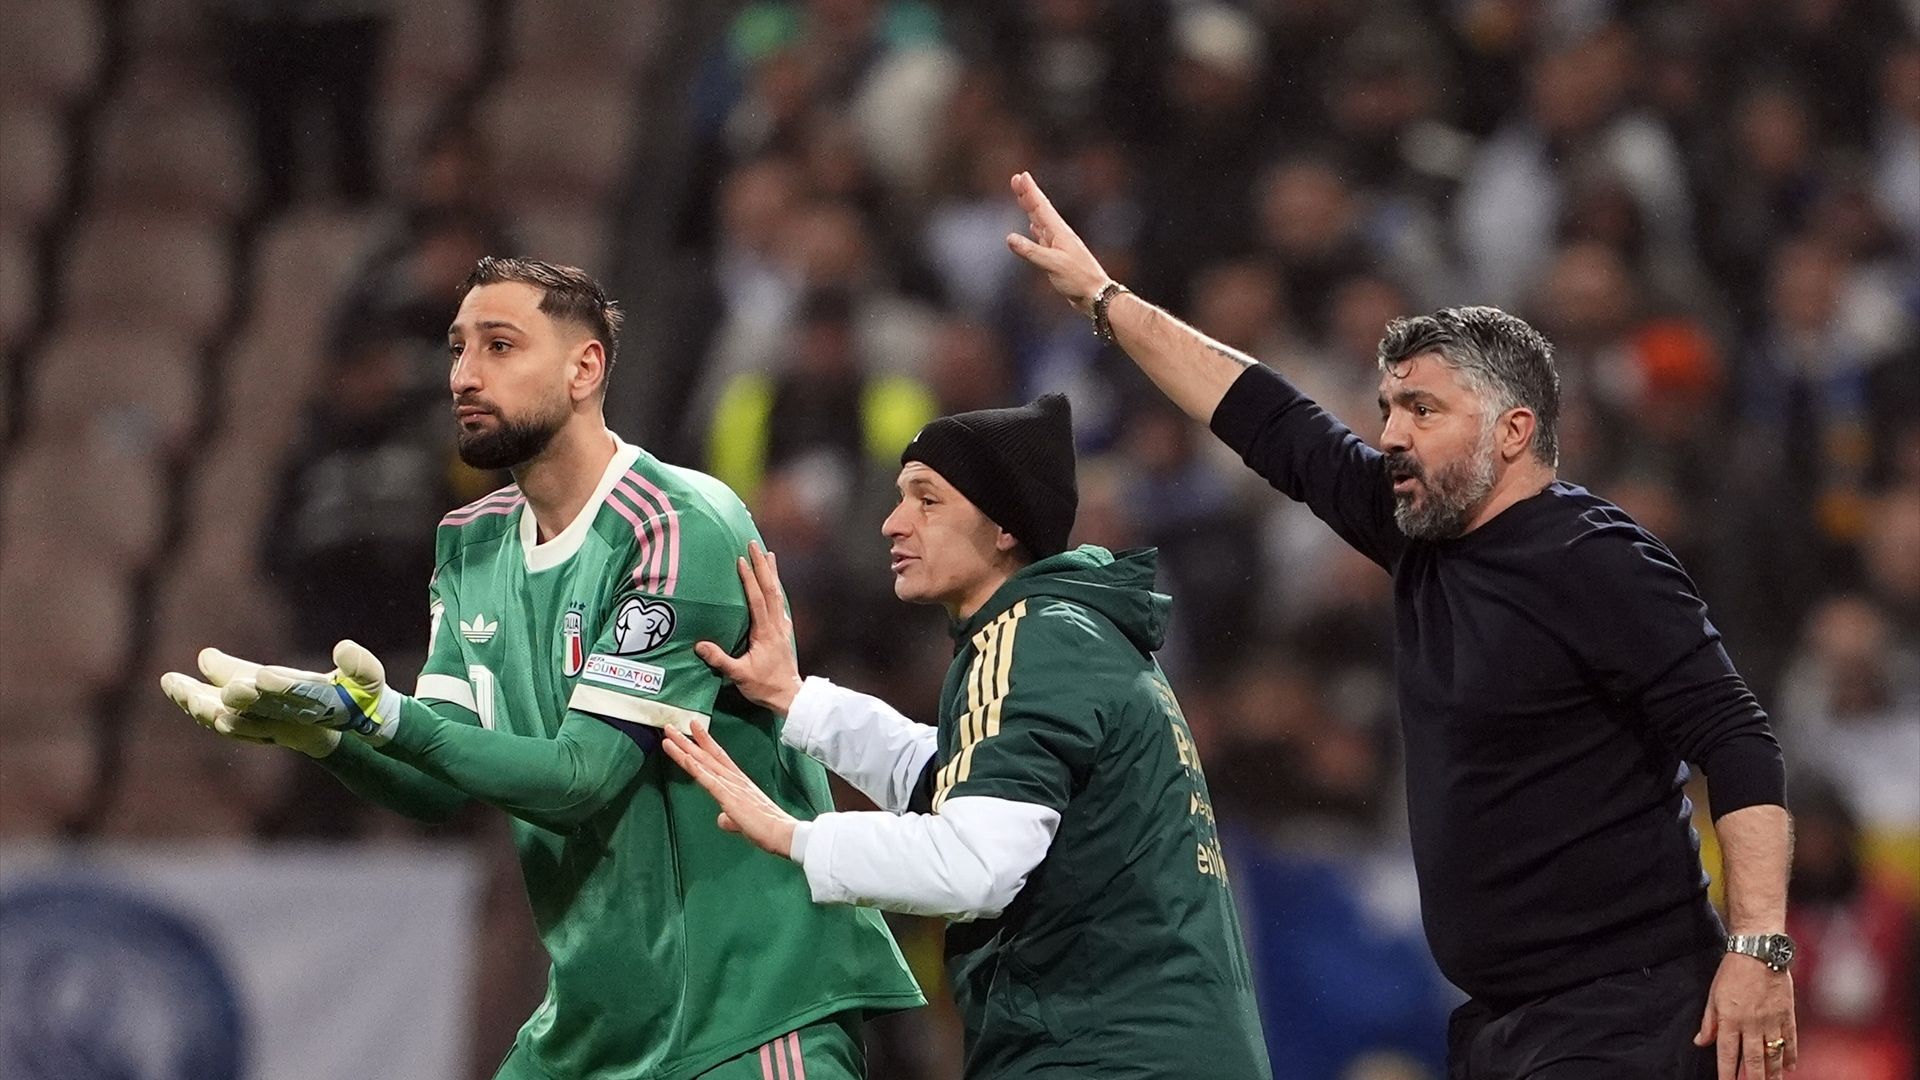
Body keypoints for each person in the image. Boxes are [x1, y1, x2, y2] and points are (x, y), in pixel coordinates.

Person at [1003, 171, 1797, 1080]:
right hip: (1504, 1028)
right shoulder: (1421, 534)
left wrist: (1759, 949)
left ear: (1511, 431)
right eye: (1387, 408)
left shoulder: (1599, 559)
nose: (1389, 434)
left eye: (1422, 410)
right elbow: (1267, 416)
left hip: (1628, 1016)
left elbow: (1738, 740)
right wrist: (1108, 301)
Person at [160, 257, 923, 1080]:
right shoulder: (471, 539)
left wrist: (387, 716)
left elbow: (583, 779)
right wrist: (329, 738)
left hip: (741, 1010)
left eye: (499, 346)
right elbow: (443, 781)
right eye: (458, 349)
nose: (463, 375)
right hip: (598, 1024)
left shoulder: (677, 525)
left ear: (584, 368)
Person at [659, 395, 1272, 1080]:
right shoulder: (1071, 632)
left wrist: (794, 835)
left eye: (928, 501)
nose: (893, 523)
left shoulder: (1036, 639)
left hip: (1108, 1056)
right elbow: (960, 777)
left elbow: (978, 863)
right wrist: (795, 698)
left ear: (1004, 526)